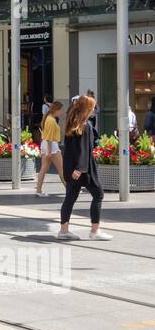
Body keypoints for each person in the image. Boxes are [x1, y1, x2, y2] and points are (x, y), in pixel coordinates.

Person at [58, 95, 109, 241]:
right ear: (87, 108)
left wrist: (72, 169)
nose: (94, 109)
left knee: (70, 198)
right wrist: (80, 168)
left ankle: (64, 230)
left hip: (72, 168)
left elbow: (69, 149)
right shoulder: (85, 126)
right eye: (93, 106)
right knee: (98, 195)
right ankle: (95, 231)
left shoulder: (72, 123)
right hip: (85, 169)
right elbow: (83, 149)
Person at [35, 100, 65, 196]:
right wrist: (49, 151)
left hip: (46, 144)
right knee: (61, 169)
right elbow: (50, 137)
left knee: (43, 169)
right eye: (61, 110)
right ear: (57, 110)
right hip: (51, 145)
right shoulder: (51, 120)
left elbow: (46, 136)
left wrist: (47, 151)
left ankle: (38, 190)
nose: (61, 112)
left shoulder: (47, 118)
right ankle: (69, 190)